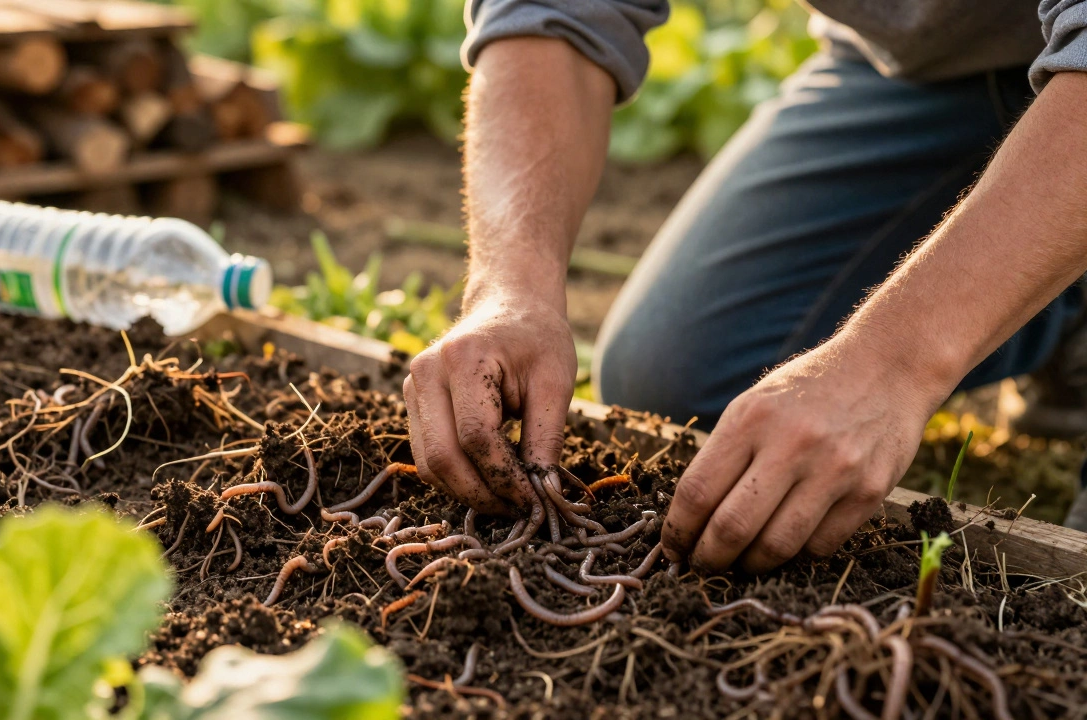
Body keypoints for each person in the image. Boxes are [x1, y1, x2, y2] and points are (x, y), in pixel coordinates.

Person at [401, 0, 1087, 574]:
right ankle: (1059, 298)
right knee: (676, 379)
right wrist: (512, 287)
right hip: (935, 74)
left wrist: (893, 365)